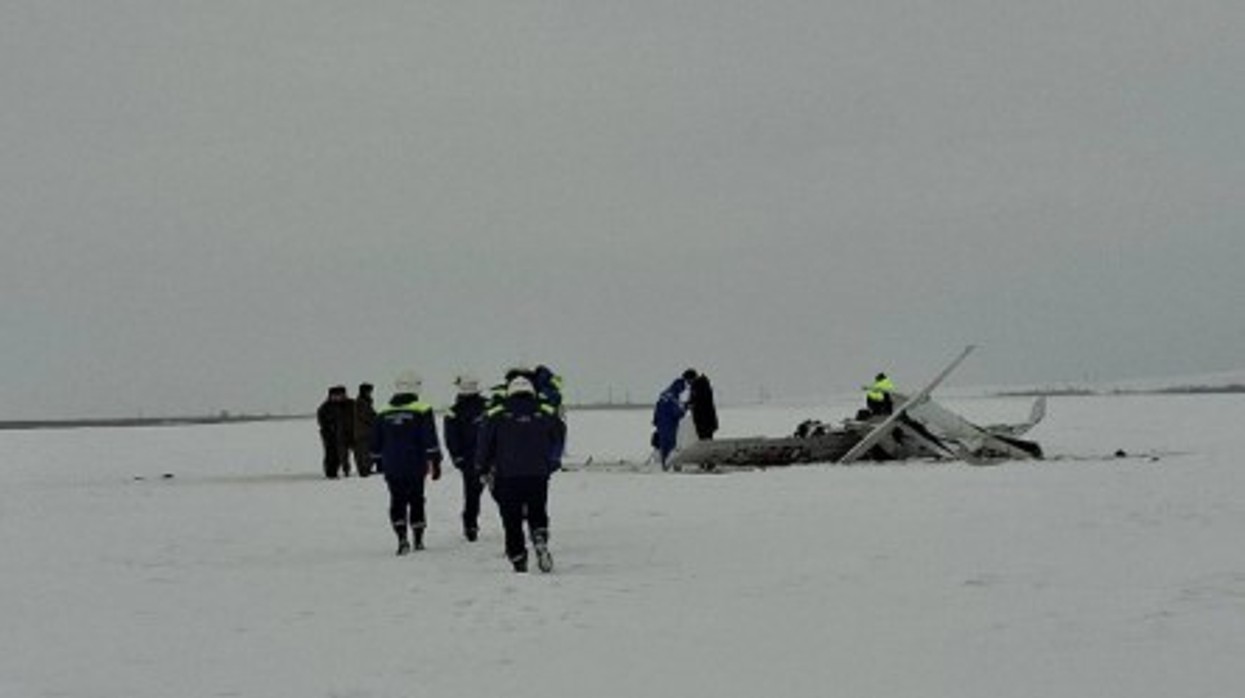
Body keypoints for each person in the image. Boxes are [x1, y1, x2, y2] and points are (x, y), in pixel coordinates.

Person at [477, 375, 565, 573]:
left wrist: (481, 466)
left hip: (507, 475)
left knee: (511, 519)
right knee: (537, 509)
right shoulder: (545, 411)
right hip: (538, 473)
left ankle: (518, 558)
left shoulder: (496, 414)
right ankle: (539, 535)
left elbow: (484, 443)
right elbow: (559, 435)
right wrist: (552, 461)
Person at [370, 371, 443, 555]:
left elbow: (375, 441)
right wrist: (435, 460)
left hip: (392, 464)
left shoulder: (383, 411)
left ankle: (401, 538)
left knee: (397, 500)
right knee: (417, 499)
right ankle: (418, 539)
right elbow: (429, 438)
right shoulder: (422, 409)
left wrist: (377, 461)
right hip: (415, 464)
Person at [443, 374, 488, 542]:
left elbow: (451, 438)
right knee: (504, 494)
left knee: (472, 495)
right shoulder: (489, 406)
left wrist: (457, 458)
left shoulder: (454, 411)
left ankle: (470, 526)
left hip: (471, 461)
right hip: (493, 459)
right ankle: (516, 523)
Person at [316, 385, 354, 479]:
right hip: (330, 435)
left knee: (347, 453)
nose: (338, 397)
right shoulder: (325, 407)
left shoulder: (351, 404)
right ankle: (331, 472)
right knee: (332, 453)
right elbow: (322, 421)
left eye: (340, 395)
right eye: (335, 395)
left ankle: (347, 470)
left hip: (348, 433)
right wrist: (329, 429)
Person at [652, 378, 687, 470]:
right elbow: (677, 413)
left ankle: (664, 465)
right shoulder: (673, 398)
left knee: (664, 446)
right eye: (682, 388)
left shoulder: (664, 395)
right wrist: (684, 410)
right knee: (672, 446)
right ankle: (674, 466)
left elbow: (657, 408)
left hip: (661, 424)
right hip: (670, 425)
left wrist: (655, 420)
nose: (682, 391)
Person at [682, 369, 719, 441]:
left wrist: (690, 404)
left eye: (688, 380)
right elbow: (695, 400)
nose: (688, 383)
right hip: (703, 421)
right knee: (704, 439)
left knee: (706, 440)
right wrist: (688, 404)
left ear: (692, 378)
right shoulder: (698, 385)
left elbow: (700, 401)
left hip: (705, 421)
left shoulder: (701, 385)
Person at [352, 382, 377, 476]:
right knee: (362, 452)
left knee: (367, 452)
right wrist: (375, 419)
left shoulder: (366, 402)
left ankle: (366, 469)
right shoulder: (361, 402)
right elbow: (366, 416)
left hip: (366, 432)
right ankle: (364, 470)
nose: (370, 393)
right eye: (369, 391)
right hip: (362, 433)